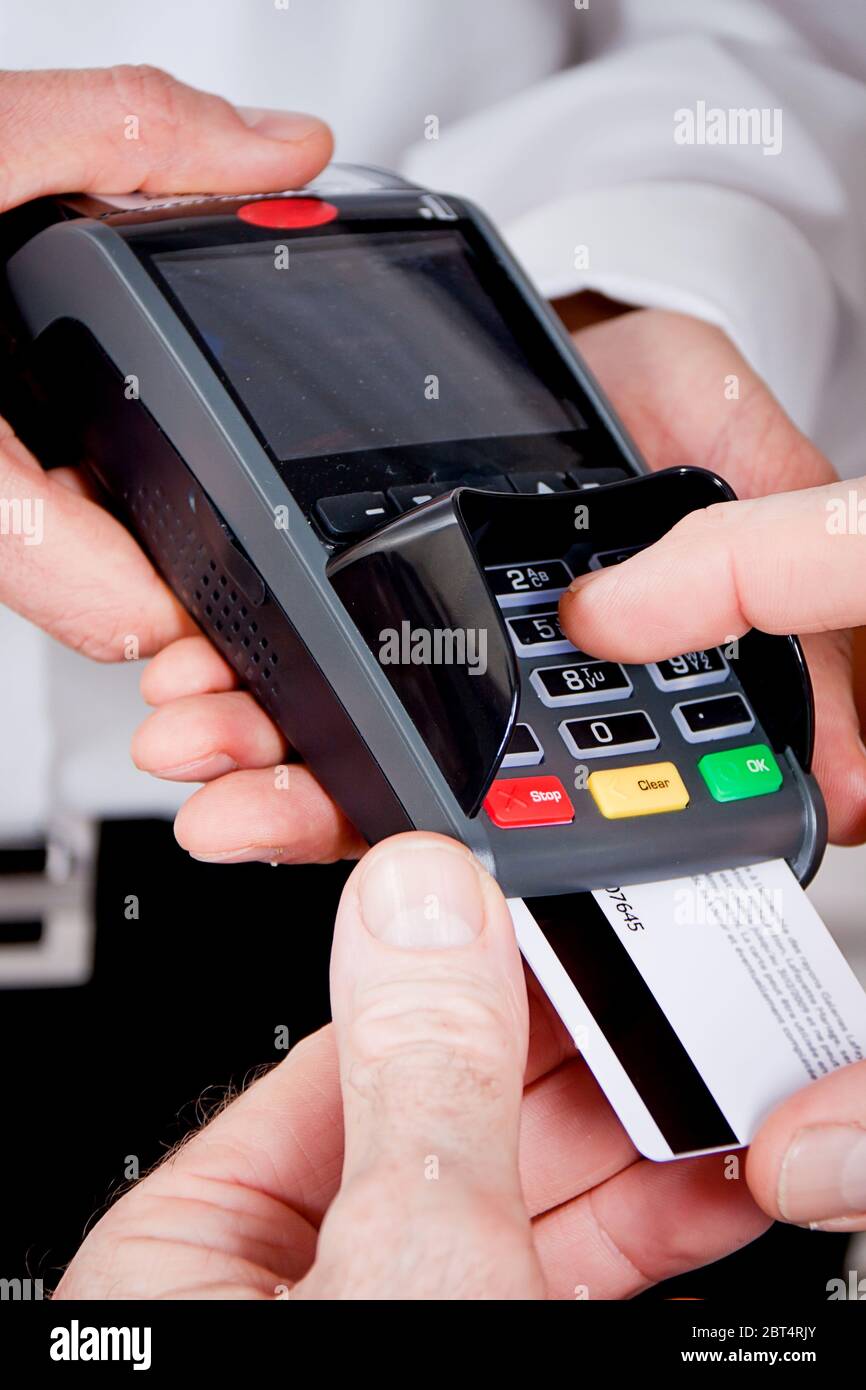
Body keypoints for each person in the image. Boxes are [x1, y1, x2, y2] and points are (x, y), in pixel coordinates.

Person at [0, 50, 862, 1294]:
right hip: (162, 936)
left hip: (331, 916)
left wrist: (600, 309)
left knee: (680, 1221)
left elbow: (767, 35)